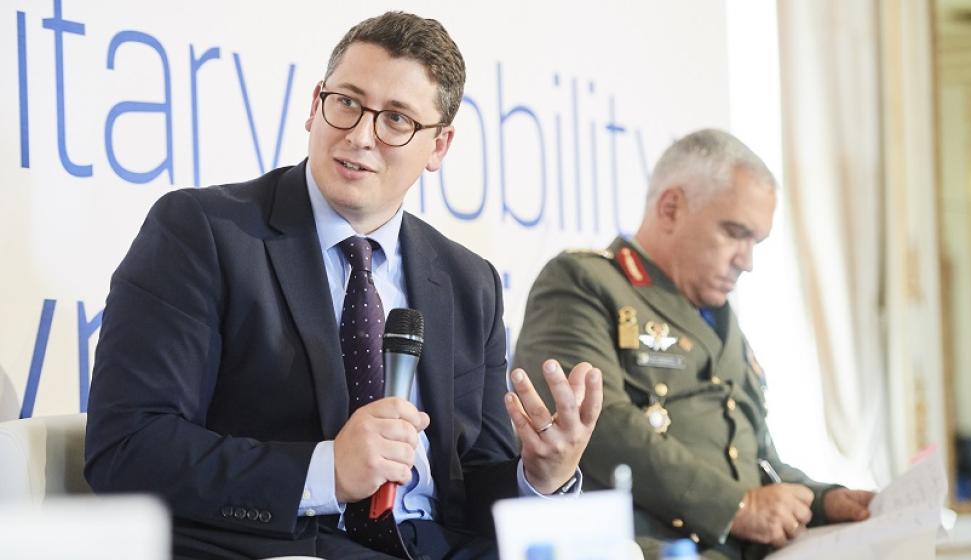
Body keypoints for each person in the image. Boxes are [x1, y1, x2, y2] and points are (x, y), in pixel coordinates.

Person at [84, 12, 601, 560]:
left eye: (396, 119)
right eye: (347, 102)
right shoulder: (205, 232)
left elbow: (472, 486)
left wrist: (540, 478)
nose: (359, 135)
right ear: (315, 105)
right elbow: (126, 447)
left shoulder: (469, 283)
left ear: (439, 146)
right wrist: (325, 471)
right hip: (288, 547)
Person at [512, 129, 874, 560]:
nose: (746, 261)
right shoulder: (585, 282)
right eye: (735, 233)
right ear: (671, 209)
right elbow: (598, 427)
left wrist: (824, 502)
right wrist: (736, 507)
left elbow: (756, 459)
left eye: (755, 242)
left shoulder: (721, 319)